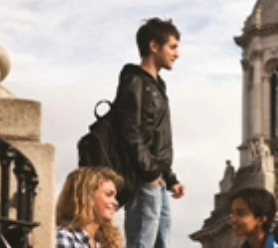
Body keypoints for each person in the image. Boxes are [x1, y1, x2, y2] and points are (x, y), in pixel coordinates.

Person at [113, 17, 185, 248]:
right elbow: (130, 133)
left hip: (157, 179)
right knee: (142, 244)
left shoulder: (157, 85)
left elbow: (155, 139)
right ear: (154, 46)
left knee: (161, 243)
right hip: (144, 180)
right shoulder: (134, 81)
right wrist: (151, 174)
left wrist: (170, 178)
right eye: (172, 47)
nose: (178, 54)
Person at [56, 167, 123, 248]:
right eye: (109, 194)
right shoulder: (64, 238)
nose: (116, 202)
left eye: (115, 197)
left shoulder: (107, 242)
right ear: (87, 197)